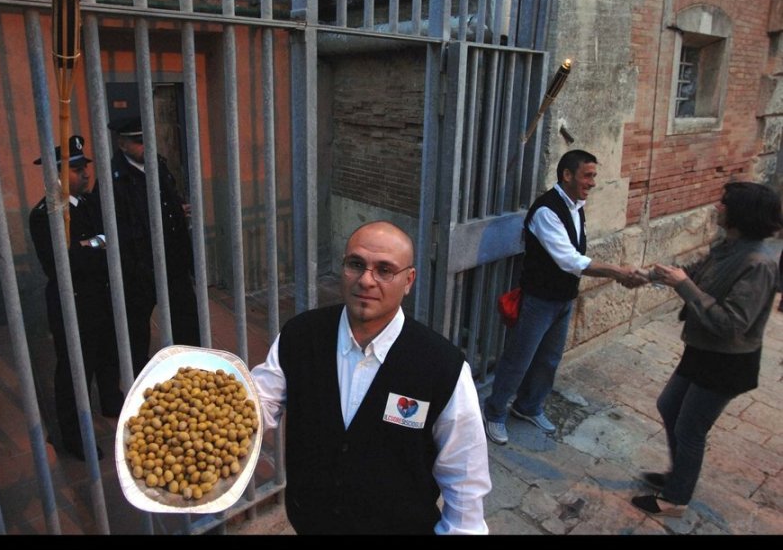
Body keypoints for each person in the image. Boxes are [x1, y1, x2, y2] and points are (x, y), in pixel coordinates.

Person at [251, 221, 491, 535]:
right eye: (356, 264)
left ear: (409, 280)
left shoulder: (441, 366)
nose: (366, 280)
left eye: (384, 270)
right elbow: (257, 406)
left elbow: (465, 478)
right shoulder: (300, 336)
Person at [631, 181, 783, 517]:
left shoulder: (758, 263)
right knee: (669, 406)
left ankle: (675, 499)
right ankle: (679, 475)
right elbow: (692, 273)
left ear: (741, 213)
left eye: (724, 203)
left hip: (728, 361)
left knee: (690, 427)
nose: (718, 207)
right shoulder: (729, 246)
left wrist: (684, 287)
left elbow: (731, 324)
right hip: (703, 350)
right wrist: (649, 275)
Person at [483, 149, 646, 446]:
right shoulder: (547, 210)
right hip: (538, 301)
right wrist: (618, 271)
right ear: (567, 175)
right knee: (519, 359)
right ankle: (494, 412)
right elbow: (570, 260)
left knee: (548, 359)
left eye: (594, 175)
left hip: (562, 300)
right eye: (587, 175)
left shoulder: (576, 206)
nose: (593, 182)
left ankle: (528, 406)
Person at [29, 135, 123, 461]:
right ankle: (73, 436)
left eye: (85, 167)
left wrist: (89, 244)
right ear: (56, 173)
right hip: (73, 301)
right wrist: (96, 244)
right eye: (76, 169)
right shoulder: (46, 214)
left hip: (101, 295)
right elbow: (63, 262)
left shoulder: (88, 203)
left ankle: (112, 401)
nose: (85, 174)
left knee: (107, 354)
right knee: (75, 370)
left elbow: (110, 240)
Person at [102, 116, 200, 376]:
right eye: (138, 141)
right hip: (141, 267)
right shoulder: (113, 179)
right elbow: (118, 226)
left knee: (187, 320)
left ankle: (193, 370)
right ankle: (142, 379)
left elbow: (166, 198)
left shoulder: (156, 164)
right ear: (122, 145)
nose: (145, 145)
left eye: (147, 139)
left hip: (173, 259)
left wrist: (176, 210)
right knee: (136, 329)